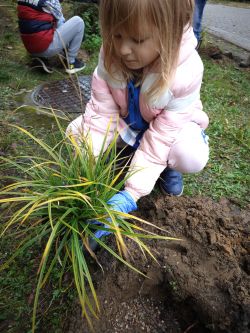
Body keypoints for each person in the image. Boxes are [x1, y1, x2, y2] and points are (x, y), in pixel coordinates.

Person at [67, 0, 209, 247]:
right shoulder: (111, 52)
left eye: (138, 40)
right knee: (75, 133)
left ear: (170, 32)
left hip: (168, 129)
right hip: (129, 122)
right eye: (117, 34)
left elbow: (162, 135)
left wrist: (130, 193)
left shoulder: (186, 71)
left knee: (189, 155)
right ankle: (126, 155)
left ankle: (168, 167)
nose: (122, 49)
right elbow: (101, 114)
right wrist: (88, 168)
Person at [17, 0, 85, 74]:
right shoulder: (51, 2)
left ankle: (41, 58)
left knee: (42, 23)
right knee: (78, 21)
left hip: (30, 48)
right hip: (45, 48)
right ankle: (71, 63)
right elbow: (60, 22)